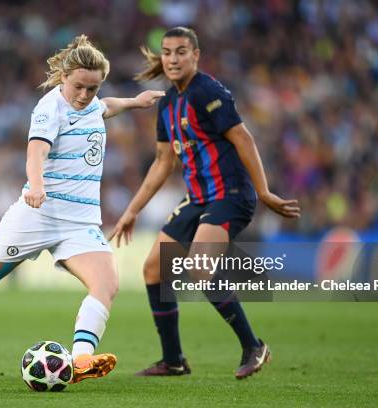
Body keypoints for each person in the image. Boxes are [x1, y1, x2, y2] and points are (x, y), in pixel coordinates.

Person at [0, 35, 163, 384]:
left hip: (80, 223)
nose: (84, 95)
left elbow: (108, 106)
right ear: (63, 77)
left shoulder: (92, 103)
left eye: (92, 88)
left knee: (106, 283)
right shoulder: (49, 109)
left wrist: (136, 102)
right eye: (78, 86)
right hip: (37, 213)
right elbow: (36, 153)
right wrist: (38, 185)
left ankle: (81, 361)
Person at [109, 27, 300, 379]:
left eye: (181, 51)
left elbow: (243, 138)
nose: (173, 58)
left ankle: (253, 345)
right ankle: (173, 360)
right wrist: (132, 210)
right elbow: (163, 163)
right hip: (197, 199)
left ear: (196, 55)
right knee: (154, 270)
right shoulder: (167, 104)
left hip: (230, 194)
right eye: (167, 52)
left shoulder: (208, 92)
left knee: (199, 266)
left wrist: (263, 191)